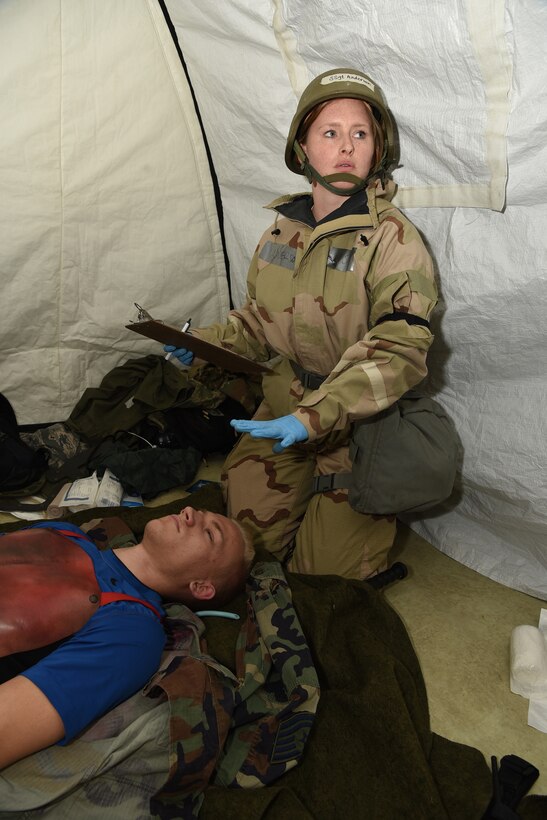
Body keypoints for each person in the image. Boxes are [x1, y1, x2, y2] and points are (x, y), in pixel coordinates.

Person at [164, 68, 437, 580]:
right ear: (303, 149)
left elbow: (400, 348)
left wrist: (315, 418)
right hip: (283, 407)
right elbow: (254, 323)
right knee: (239, 551)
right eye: (330, 133)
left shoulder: (393, 239)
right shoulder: (281, 230)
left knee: (322, 580)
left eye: (361, 133)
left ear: (378, 149)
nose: (347, 147)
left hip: (357, 425)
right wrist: (198, 345)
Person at [0, 506, 254, 771]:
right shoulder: (66, 533)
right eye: (199, 512)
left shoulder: (133, 633)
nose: (189, 511)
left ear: (201, 587)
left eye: (210, 533)